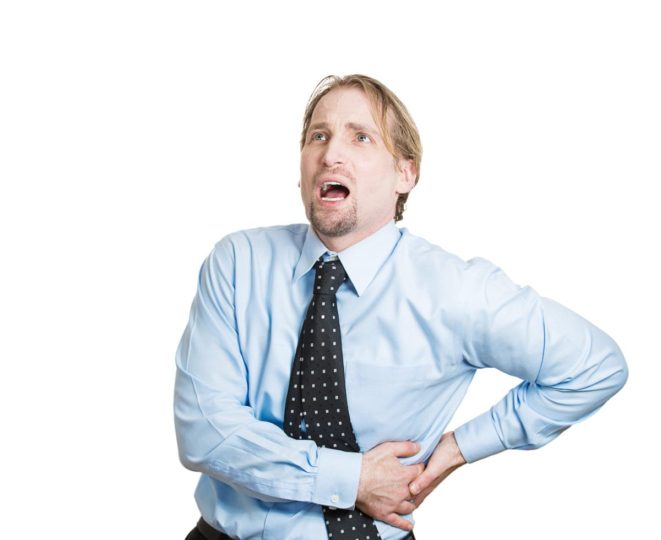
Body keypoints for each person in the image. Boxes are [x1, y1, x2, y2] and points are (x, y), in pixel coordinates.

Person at [174, 74, 628, 540]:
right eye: (319, 136)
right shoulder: (237, 263)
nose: (331, 154)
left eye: (361, 137)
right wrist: (352, 480)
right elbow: (205, 433)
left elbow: (594, 366)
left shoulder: (454, 291)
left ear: (405, 173)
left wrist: (459, 448)